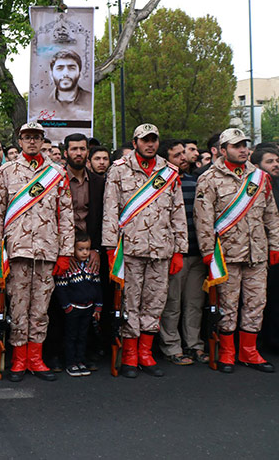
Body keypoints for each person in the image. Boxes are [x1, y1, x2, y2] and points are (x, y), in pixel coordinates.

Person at [0, 122, 74, 382]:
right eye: (27, 138)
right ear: (20, 141)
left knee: (41, 309)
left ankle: (36, 359)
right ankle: (19, 359)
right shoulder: (6, 171)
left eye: (36, 138)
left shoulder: (57, 172)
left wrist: (65, 253)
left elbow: (66, 215)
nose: (32, 142)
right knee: (18, 306)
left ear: (43, 140)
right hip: (16, 251)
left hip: (48, 250)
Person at [102, 123, 187, 379]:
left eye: (154, 140)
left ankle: (146, 353)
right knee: (130, 302)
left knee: (155, 303)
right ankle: (129, 354)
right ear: (135, 142)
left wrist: (179, 250)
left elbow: (178, 213)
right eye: (145, 140)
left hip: (161, 249)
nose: (150, 144)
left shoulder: (169, 172)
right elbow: (110, 211)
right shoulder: (118, 170)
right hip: (129, 249)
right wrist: (109, 248)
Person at [195, 128, 279, 373]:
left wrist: (275, 244)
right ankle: (228, 352)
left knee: (256, 303)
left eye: (244, 145)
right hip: (226, 254)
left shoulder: (260, 178)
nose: (242, 149)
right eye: (236, 146)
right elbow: (203, 221)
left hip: (257, 252)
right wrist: (208, 252)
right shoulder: (209, 178)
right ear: (223, 150)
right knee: (228, 305)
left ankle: (249, 351)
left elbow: (271, 215)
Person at [156, 139, 208, 365]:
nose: (183, 159)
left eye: (183, 154)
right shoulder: (157, 185)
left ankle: (194, 344)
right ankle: (172, 346)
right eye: (177, 155)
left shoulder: (194, 181)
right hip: (173, 254)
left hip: (197, 251)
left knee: (194, 303)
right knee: (172, 304)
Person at [54, 230, 102, 377]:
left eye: (87, 249)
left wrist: (98, 306)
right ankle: (70, 362)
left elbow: (97, 286)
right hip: (73, 308)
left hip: (88, 307)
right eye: (80, 249)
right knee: (71, 336)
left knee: (83, 335)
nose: (85, 253)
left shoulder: (91, 266)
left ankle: (81, 360)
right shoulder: (68, 267)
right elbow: (61, 288)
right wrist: (67, 306)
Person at [30, 49, 92, 141]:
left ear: (80, 73)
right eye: (60, 68)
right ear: (51, 74)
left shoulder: (90, 101)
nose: (65, 74)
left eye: (71, 68)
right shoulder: (40, 106)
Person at [252, 146, 279, 350]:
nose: (276, 165)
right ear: (256, 165)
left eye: (277, 161)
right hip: (260, 251)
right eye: (270, 162)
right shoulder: (254, 188)